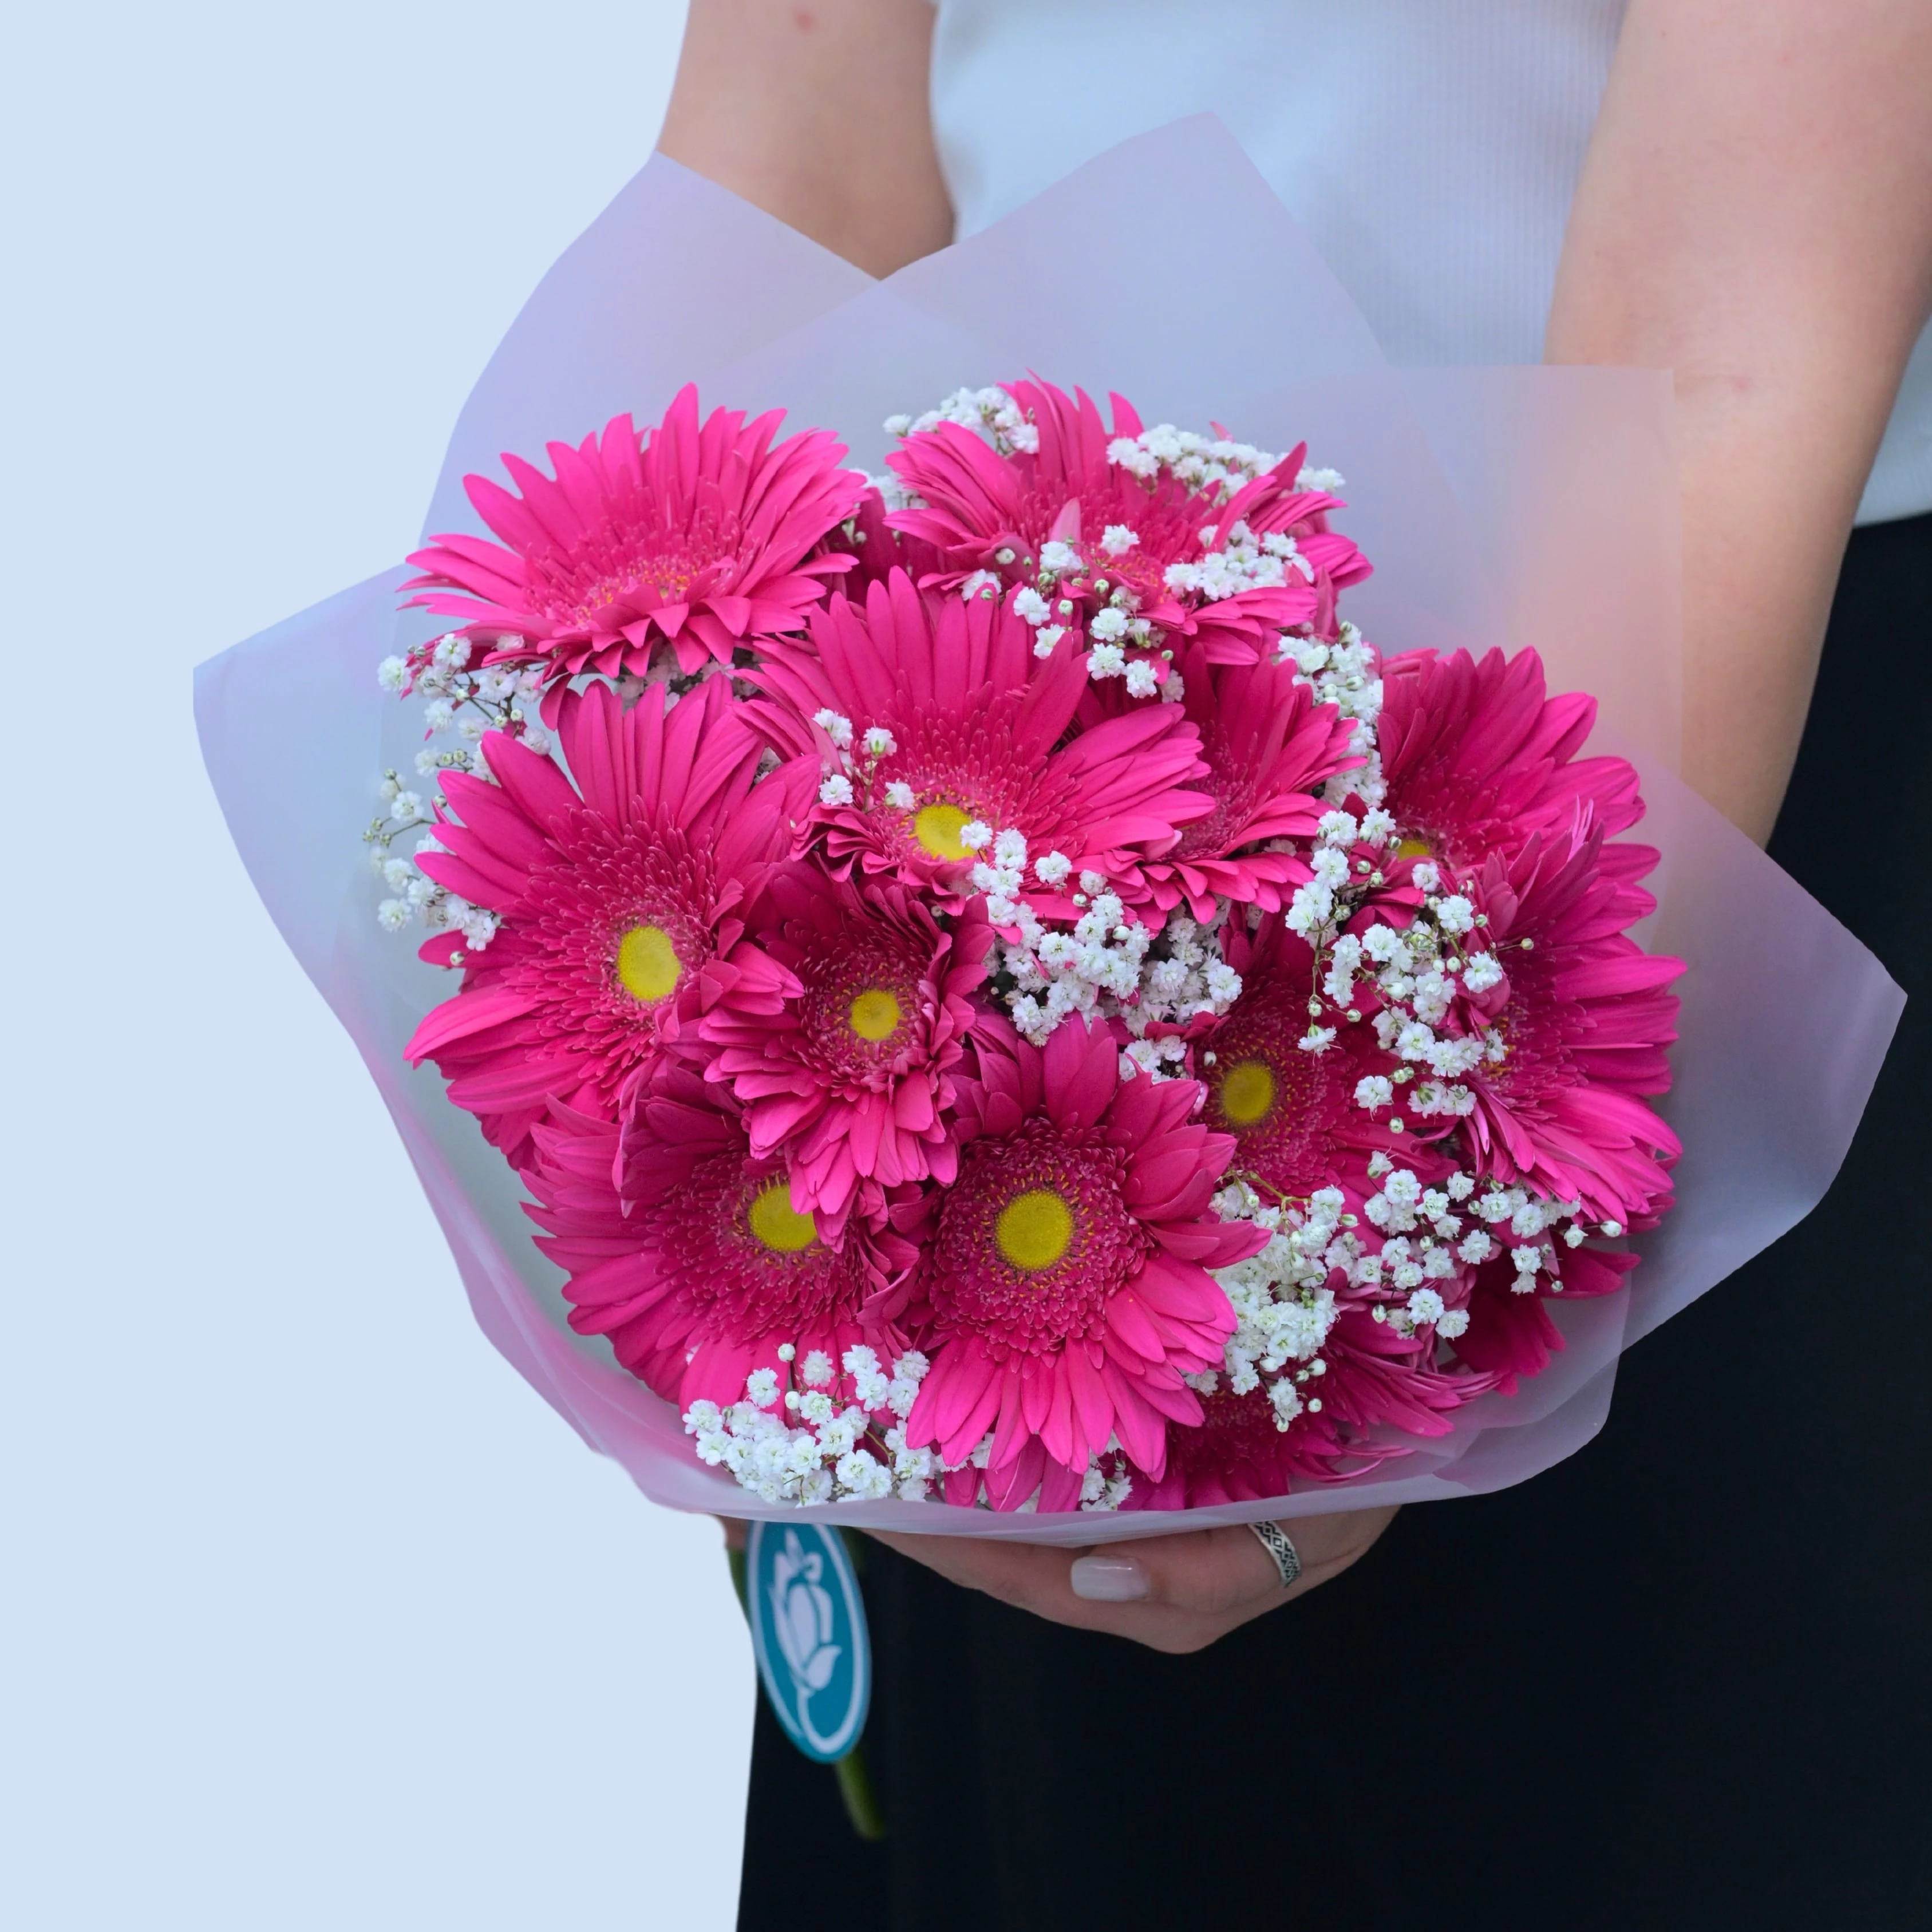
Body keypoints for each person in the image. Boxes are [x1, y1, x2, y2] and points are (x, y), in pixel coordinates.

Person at [658, 3, 1932, 1922]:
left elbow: (1725, 344)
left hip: (1655, 793)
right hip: (963, 786)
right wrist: (649, 910)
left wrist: (1431, 1198)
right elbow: (789, 167)